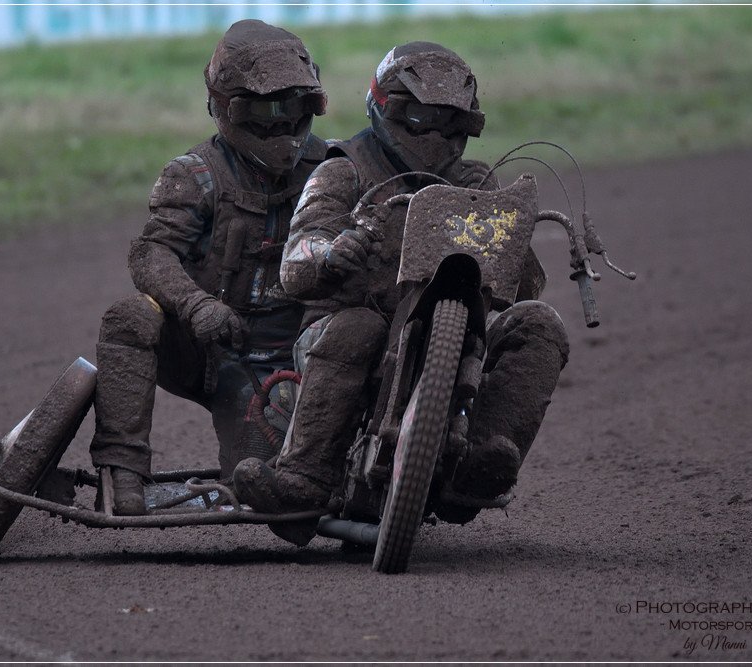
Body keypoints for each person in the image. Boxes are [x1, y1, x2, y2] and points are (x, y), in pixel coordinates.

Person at [232, 42, 570, 544]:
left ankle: (482, 457)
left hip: (456, 328)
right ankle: (303, 475)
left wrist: (512, 249)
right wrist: (328, 252)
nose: (434, 134)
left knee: (541, 324)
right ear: (386, 106)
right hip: (345, 325)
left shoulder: (478, 181)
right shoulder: (343, 168)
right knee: (359, 328)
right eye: (419, 118)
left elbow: (523, 286)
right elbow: (297, 257)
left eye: (449, 123)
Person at [90, 20, 328, 515]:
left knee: (265, 480)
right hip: (212, 353)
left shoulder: (334, 168)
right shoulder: (195, 174)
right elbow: (150, 254)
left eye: (294, 107)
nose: (282, 124)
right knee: (130, 317)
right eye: (266, 110)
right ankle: (122, 471)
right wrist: (197, 306)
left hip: (302, 361)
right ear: (226, 107)